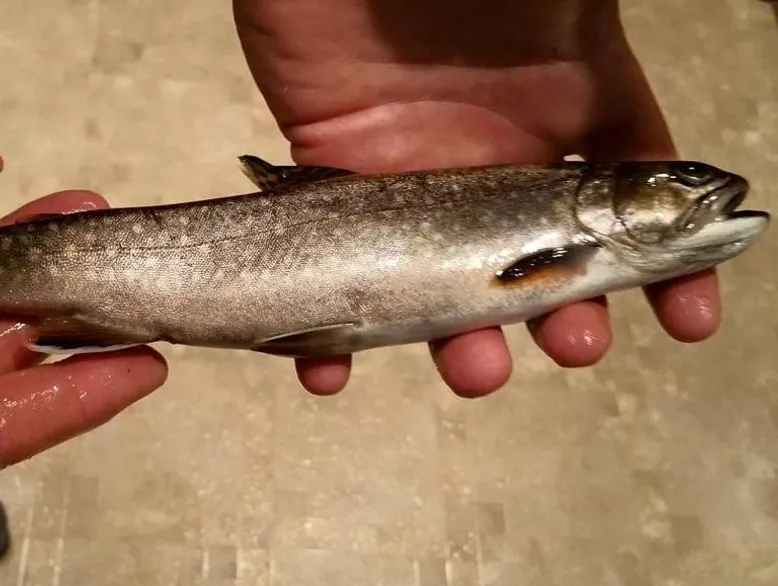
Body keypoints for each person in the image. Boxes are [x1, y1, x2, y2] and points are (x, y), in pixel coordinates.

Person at [0, 0, 721, 470]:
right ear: (610, 194)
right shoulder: (571, 231)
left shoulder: (579, 231)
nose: (698, 191)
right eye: (682, 182)